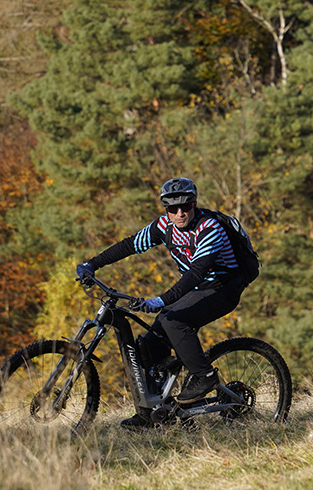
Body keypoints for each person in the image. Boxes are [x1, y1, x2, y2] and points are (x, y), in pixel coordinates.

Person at [75, 177, 247, 427]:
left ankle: (204, 375)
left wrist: (161, 300)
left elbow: (196, 273)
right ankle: (156, 412)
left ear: (194, 204)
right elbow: (129, 245)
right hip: (195, 288)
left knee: (172, 320)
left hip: (222, 288)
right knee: (149, 347)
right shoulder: (164, 225)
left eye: (185, 207)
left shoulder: (210, 228)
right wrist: (93, 264)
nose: (179, 213)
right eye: (172, 208)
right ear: (165, 208)